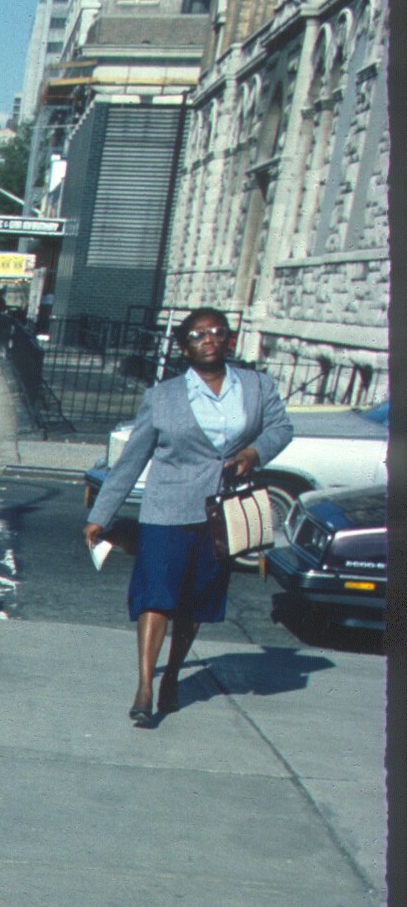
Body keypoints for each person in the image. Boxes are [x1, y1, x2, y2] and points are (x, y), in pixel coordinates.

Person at [84, 307, 293, 724]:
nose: (209, 339)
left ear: (230, 340)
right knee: (157, 596)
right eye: (198, 335)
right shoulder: (163, 397)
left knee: (196, 604)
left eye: (217, 332)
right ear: (184, 347)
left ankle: (172, 676)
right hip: (167, 510)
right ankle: (144, 687)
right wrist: (100, 513)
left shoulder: (256, 386)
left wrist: (254, 452)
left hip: (222, 512)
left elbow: (280, 429)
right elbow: (131, 459)